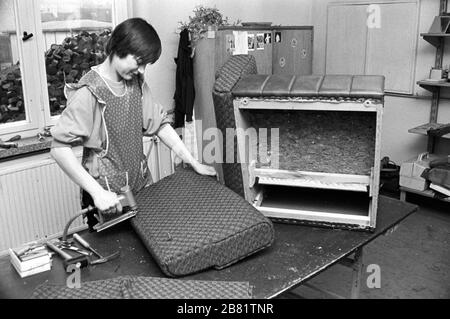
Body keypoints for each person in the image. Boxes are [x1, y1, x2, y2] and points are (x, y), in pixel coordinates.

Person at [50, 18, 216, 229]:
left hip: (141, 186)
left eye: (146, 64)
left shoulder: (135, 83)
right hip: (107, 197)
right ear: (119, 48)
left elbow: (161, 126)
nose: (142, 70)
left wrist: (193, 162)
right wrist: (97, 193)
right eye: (139, 61)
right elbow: (59, 149)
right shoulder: (89, 91)